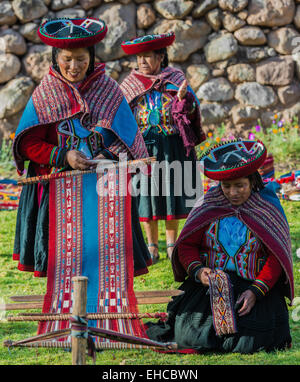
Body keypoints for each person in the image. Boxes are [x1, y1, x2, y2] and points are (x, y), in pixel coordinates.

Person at [12, 17, 151, 278]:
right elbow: (28, 143)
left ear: (91, 57)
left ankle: (104, 307)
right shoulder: (47, 93)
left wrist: (106, 155)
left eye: (80, 59)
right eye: (67, 59)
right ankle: (67, 310)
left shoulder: (107, 89)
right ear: (56, 58)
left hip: (104, 187)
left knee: (105, 258)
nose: (74, 66)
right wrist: (64, 155)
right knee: (64, 258)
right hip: (59, 188)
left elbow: (127, 138)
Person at [146, 139, 294, 354]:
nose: (233, 192)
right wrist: (199, 272)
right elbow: (187, 245)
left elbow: (276, 257)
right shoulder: (209, 205)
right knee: (190, 334)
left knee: (252, 340)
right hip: (210, 286)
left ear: (252, 182)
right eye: (227, 186)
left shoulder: (267, 208)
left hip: (254, 285)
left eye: (240, 186)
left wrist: (256, 291)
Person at [120, 32, 206, 262]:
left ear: (161, 57)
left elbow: (191, 110)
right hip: (143, 148)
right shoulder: (129, 85)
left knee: (172, 192)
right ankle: (151, 246)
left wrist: (183, 100)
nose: (142, 62)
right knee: (147, 194)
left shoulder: (176, 79)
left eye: (148, 57)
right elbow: (120, 116)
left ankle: (171, 244)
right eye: (139, 58)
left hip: (172, 146)